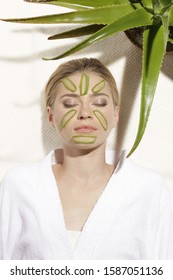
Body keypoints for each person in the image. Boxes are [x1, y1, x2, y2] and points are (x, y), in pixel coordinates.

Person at [0, 57, 173, 260]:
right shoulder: (20, 186)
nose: (85, 113)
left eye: (99, 102)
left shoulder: (147, 189)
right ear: (51, 115)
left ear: (115, 114)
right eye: (70, 103)